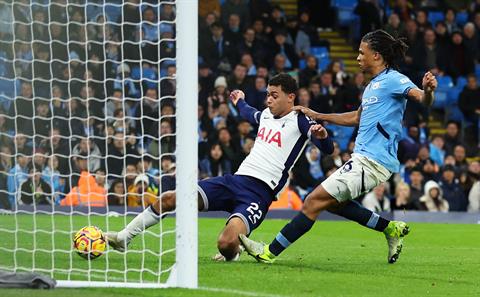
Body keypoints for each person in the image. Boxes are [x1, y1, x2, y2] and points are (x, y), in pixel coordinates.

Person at [240, 29, 437, 264]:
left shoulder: (394, 79)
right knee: (334, 204)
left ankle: (268, 252)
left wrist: (428, 91)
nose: (357, 57)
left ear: (376, 55)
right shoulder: (372, 86)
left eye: (361, 53)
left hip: (373, 161)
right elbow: (356, 118)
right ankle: (390, 228)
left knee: (313, 201)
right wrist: (317, 114)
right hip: (363, 159)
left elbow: (422, 99)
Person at [106, 73, 335, 261]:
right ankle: (124, 237)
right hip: (233, 181)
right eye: (267, 95)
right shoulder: (266, 114)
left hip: (258, 194)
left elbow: (328, 149)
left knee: (226, 244)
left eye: (274, 96)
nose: (269, 100)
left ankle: (232, 254)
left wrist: (322, 135)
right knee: (168, 198)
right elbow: (249, 113)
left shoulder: (301, 120)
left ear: (291, 97)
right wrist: (239, 100)